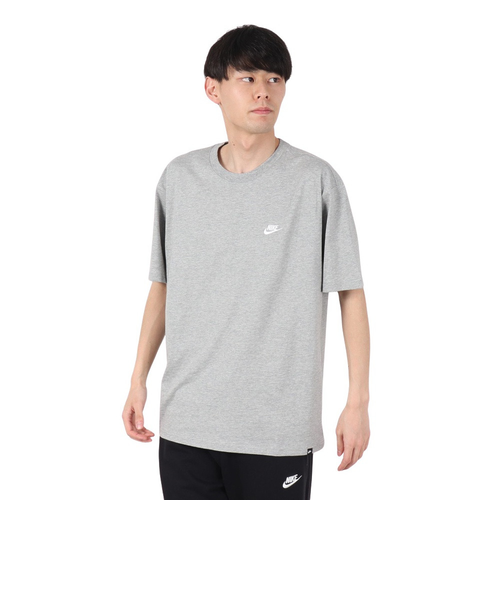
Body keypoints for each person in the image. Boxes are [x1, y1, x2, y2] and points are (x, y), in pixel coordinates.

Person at [122, 24, 371, 500]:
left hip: (276, 429)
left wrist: (357, 400)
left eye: (275, 79)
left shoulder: (315, 181)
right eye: (248, 78)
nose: (263, 91)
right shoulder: (179, 179)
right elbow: (163, 286)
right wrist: (138, 379)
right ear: (213, 89)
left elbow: (350, 292)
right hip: (187, 423)